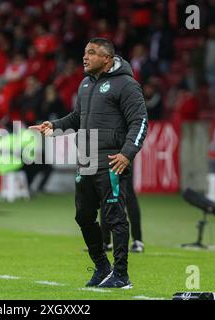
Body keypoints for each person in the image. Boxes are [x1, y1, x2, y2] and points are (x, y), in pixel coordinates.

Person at [30, 38, 148, 289]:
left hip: (111, 161)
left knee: (115, 218)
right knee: (83, 216)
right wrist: (55, 125)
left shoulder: (126, 85)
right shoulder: (85, 84)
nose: (85, 57)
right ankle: (102, 268)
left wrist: (127, 153)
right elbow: (77, 117)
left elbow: (140, 122)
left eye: (92, 53)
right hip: (86, 161)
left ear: (107, 59)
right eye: (85, 52)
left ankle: (121, 275)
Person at [101, 172, 144, 253]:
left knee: (128, 194)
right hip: (105, 162)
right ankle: (105, 241)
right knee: (105, 194)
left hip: (123, 161)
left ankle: (137, 241)